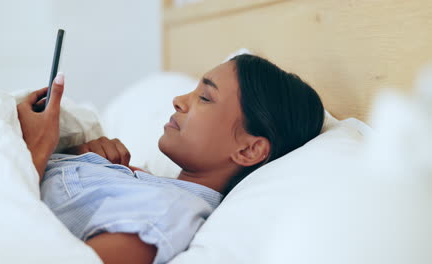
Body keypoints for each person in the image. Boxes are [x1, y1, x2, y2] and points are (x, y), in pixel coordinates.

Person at [17, 54, 325, 264]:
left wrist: (36, 151)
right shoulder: (145, 181)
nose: (179, 101)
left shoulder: (166, 211)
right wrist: (78, 154)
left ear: (248, 150)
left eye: (205, 97)